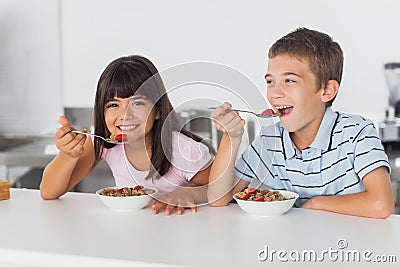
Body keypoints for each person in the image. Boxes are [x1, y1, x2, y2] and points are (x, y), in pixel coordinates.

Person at [207, 27, 394, 218]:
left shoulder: (357, 133)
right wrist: (232, 136)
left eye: (289, 80)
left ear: (327, 91)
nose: (275, 92)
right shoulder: (270, 139)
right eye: (270, 81)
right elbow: (218, 198)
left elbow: (381, 204)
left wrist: (316, 203)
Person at [40, 55, 214, 215]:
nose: (125, 115)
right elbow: (49, 192)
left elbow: (226, 188)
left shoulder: (183, 149)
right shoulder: (104, 143)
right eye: (113, 105)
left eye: (137, 103)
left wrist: (190, 192)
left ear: (157, 111)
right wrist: (68, 155)